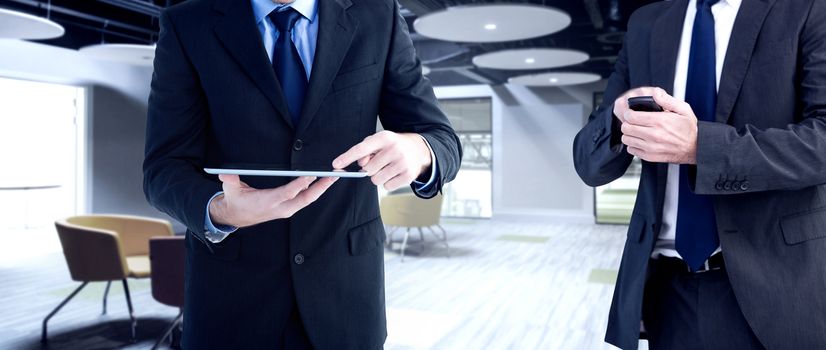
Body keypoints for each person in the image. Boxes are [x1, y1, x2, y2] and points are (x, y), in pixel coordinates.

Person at [142, 0, 462, 348]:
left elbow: (441, 139)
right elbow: (163, 168)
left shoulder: (377, 16)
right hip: (229, 302)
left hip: (346, 299)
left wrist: (419, 151)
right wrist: (220, 210)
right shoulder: (188, 23)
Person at [573, 0, 826, 349]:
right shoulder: (647, 23)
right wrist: (617, 122)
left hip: (779, 286)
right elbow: (588, 164)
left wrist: (700, 147)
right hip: (669, 293)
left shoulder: (807, 8)